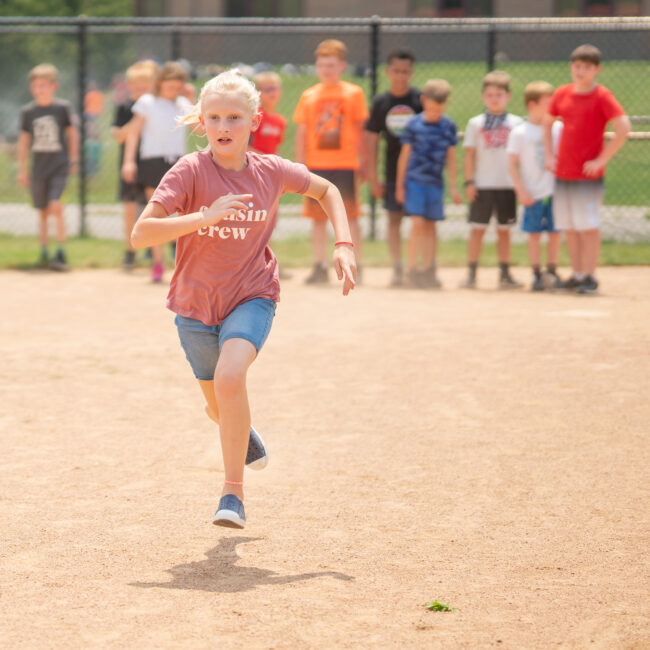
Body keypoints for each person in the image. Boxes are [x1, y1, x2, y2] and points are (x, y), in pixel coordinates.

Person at [129, 70, 356, 529]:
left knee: (231, 378)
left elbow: (327, 190)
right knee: (218, 405)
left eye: (234, 116)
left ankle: (232, 494)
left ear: (254, 120)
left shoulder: (271, 171)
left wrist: (344, 244)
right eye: (214, 117)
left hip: (253, 295)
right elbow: (140, 234)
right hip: (194, 307)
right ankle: (242, 433)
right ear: (201, 122)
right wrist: (201, 217)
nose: (224, 126)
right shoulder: (189, 171)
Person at [543, 44, 630, 295]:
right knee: (569, 226)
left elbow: (623, 128)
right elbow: (547, 123)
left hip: (587, 175)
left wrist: (602, 159)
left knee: (588, 226)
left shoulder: (602, 96)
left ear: (597, 70)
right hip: (563, 172)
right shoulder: (562, 93)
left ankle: (590, 275)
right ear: (571, 66)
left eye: (587, 67)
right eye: (577, 66)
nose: (581, 71)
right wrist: (550, 154)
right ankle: (578, 273)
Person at [293, 39, 368, 283]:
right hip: (316, 164)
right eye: (322, 64)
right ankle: (319, 266)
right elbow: (302, 133)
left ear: (342, 66)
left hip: (345, 163)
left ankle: (356, 264)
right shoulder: (309, 95)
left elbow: (360, 130)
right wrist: (299, 164)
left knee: (351, 216)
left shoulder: (353, 93)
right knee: (317, 219)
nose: (326, 69)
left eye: (332, 64)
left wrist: (364, 161)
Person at [122, 61, 192, 282]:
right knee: (159, 214)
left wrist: (193, 100)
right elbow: (133, 133)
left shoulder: (182, 103)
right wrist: (128, 161)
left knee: (182, 213)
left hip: (177, 162)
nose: (173, 91)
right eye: (169, 86)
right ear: (160, 83)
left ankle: (181, 265)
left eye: (177, 87)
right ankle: (158, 264)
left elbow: (199, 126)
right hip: (152, 161)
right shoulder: (147, 102)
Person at [395, 79, 461, 289]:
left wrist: (453, 186)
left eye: (439, 109)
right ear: (423, 101)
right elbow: (404, 157)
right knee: (417, 224)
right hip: (415, 183)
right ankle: (412, 270)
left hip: (435, 184)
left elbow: (451, 158)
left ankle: (429, 269)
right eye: (431, 109)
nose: (435, 113)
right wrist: (399, 186)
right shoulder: (414, 125)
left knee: (431, 226)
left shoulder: (448, 125)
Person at [461, 70, 523, 290]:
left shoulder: (517, 123)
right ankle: (471, 273)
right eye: (489, 95)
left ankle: (505, 274)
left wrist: (520, 185)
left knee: (504, 231)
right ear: (483, 97)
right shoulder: (475, 123)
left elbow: (519, 158)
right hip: (483, 184)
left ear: (508, 96)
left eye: (499, 94)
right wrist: (469, 182)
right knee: (477, 229)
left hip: (507, 184)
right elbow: (469, 154)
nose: (494, 98)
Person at [365, 48, 422, 287]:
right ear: (388, 72)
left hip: (419, 171)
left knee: (420, 221)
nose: (400, 76)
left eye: (405, 71)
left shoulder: (420, 100)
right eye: (396, 71)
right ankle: (398, 267)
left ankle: (418, 267)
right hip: (390, 170)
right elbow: (371, 141)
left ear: (412, 72)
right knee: (394, 220)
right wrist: (373, 177)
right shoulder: (381, 102)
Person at [17, 63, 79, 270]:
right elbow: (24, 141)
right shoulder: (28, 111)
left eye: (43, 85)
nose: (39, 90)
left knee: (56, 206)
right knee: (43, 211)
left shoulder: (62, 108)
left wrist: (73, 159)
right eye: (35, 86)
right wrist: (22, 169)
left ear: (54, 86)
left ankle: (60, 252)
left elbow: (72, 134)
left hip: (58, 165)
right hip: (39, 167)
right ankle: (44, 251)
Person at [507, 81, 563, 292]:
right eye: (547, 104)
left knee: (555, 233)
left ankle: (552, 270)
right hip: (532, 192)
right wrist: (520, 189)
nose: (552, 108)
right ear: (532, 105)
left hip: (556, 191)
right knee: (534, 234)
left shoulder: (558, 128)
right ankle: (536, 273)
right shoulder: (520, 132)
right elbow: (512, 164)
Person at [111, 60, 158, 270]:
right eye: (136, 87)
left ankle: (152, 248)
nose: (140, 92)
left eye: (145, 87)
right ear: (129, 86)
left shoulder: (157, 106)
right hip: (130, 164)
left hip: (151, 162)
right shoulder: (124, 108)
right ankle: (130, 251)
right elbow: (119, 136)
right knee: (130, 209)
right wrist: (138, 120)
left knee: (152, 208)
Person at [250, 71, 286, 155]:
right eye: (267, 90)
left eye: (275, 88)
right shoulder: (254, 115)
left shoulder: (280, 121)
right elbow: (244, 147)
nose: (272, 93)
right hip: (253, 163)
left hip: (268, 164)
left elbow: (276, 149)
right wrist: (267, 160)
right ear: (257, 93)